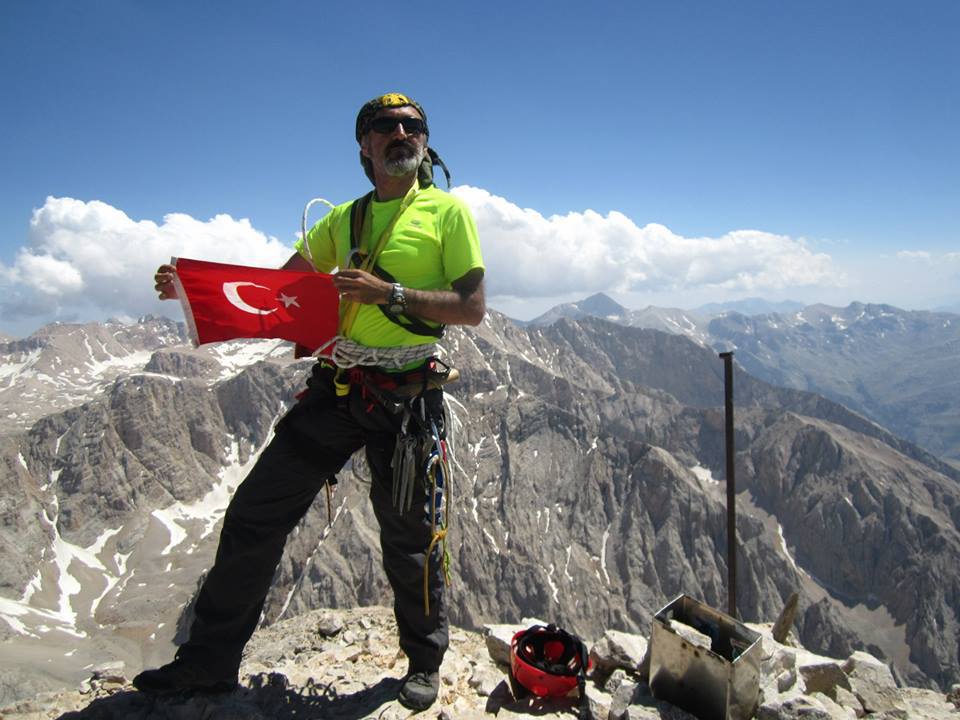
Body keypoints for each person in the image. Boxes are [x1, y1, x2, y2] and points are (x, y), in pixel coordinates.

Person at [134, 92, 485, 711]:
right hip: (339, 387)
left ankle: (424, 661)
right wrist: (194, 291)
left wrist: (389, 294)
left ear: (425, 141)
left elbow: (471, 308)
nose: (402, 133)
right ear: (365, 145)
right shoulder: (341, 221)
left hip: (406, 398)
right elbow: (281, 291)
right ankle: (207, 663)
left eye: (413, 126)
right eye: (386, 126)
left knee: (410, 538)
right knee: (255, 513)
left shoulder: (446, 213)